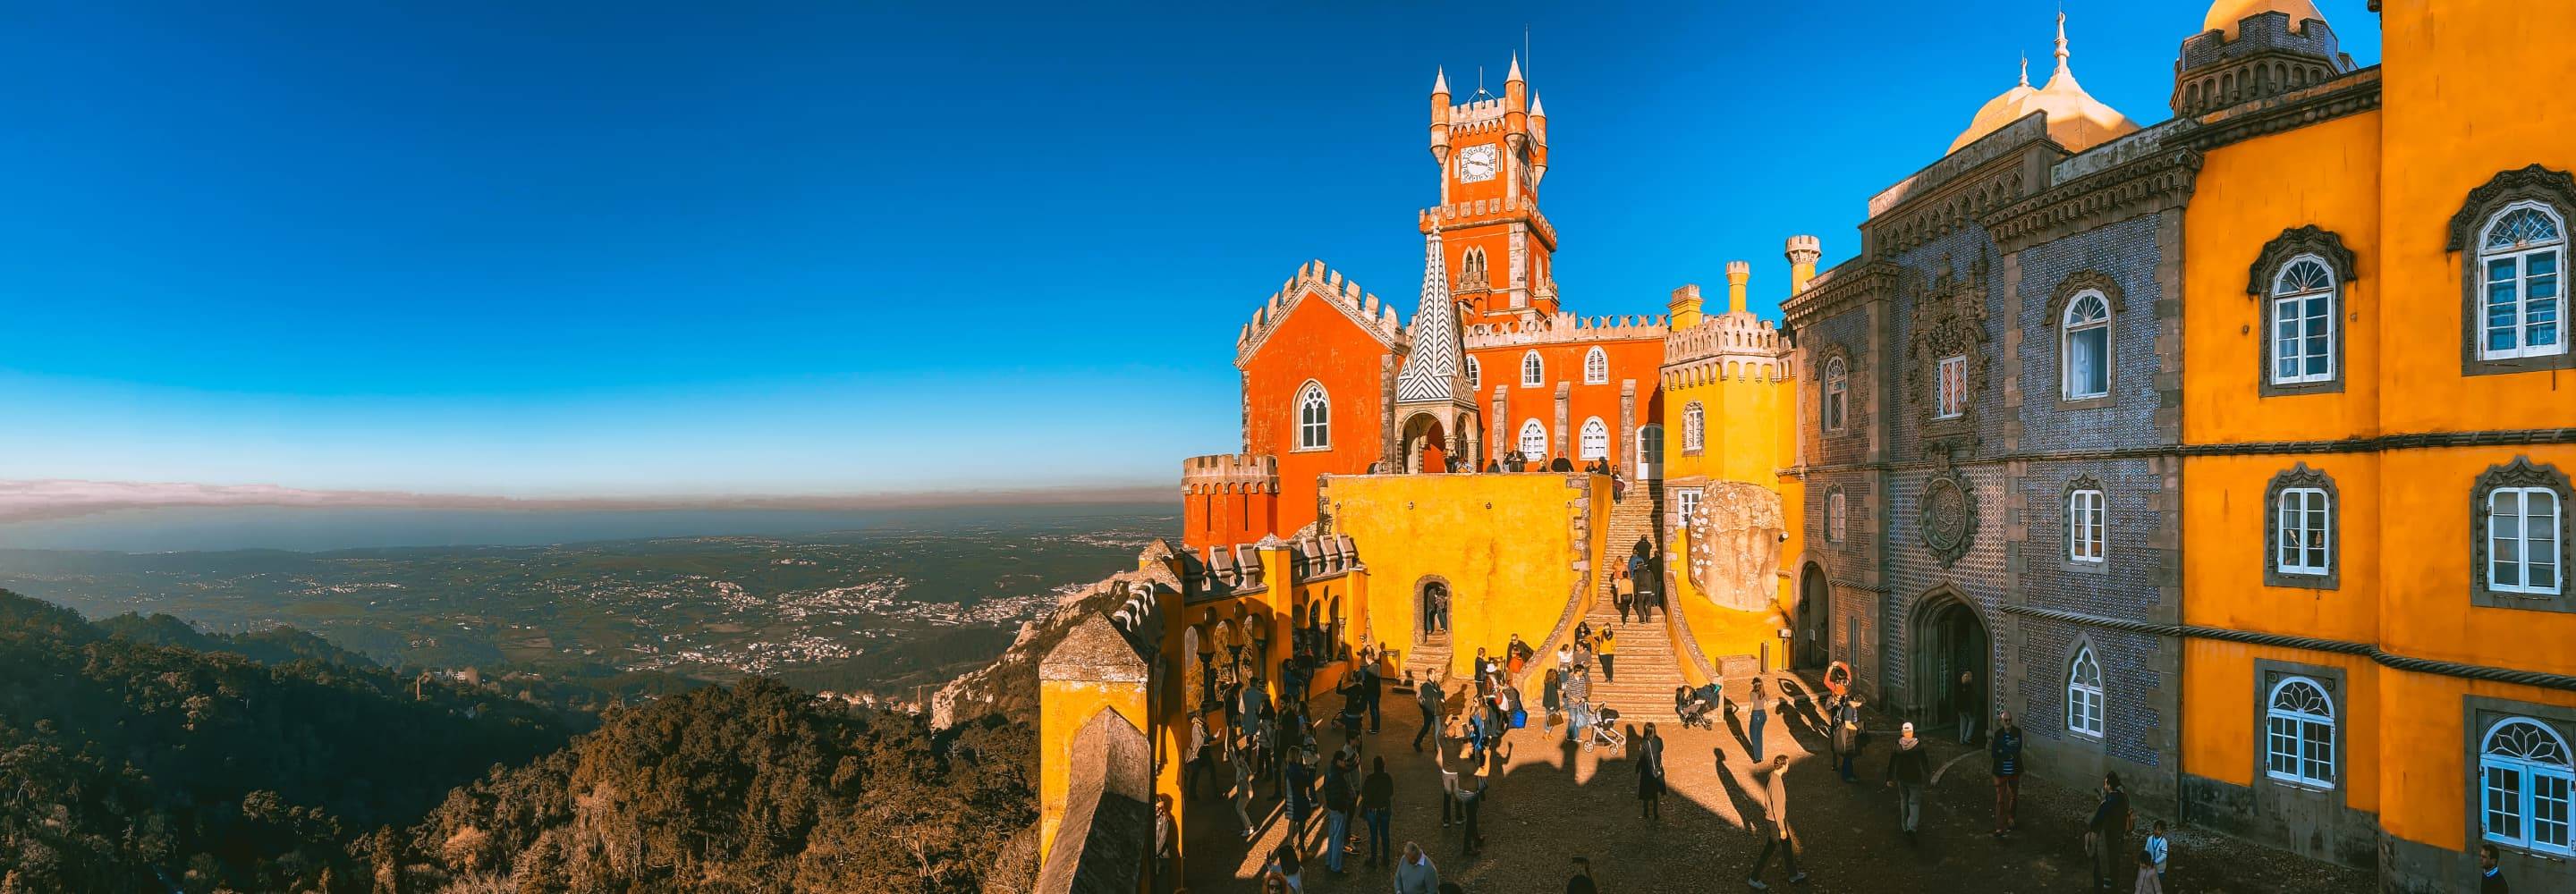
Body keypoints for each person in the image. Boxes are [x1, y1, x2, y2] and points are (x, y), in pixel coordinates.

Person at [1745, 754, 1807, 890]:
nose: (1788, 766)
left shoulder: (1772, 775)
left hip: (1774, 820)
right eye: (1788, 764)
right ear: (1783, 765)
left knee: (1786, 846)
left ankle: (1793, 874)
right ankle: (1754, 878)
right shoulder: (1777, 783)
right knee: (1770, 847)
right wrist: (1782, 829)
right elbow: (1778, 809)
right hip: (1776, 821)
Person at [1883, 721, 1930, 844]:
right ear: (1912, 732)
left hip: (1901, 778)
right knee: (1914, 803)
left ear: (1903, 732)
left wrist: (1889, 778)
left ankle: (1904, 826)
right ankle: (1912, 828)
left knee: (1904, 800)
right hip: (1915, 778)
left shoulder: (1897, 746)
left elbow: (1892, 763)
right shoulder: (1918, 745)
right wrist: (1927, 774)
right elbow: (1924, 762)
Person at [2088, 772, 2133, 891]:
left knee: (2101, 865)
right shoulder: (2123, 798)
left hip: (2107, 838)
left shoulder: (2108, 803)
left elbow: (2096, 821)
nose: (2104, 785)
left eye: (2105, 783)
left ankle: (2101, 888)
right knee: (2115, 865)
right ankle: (2113, 887)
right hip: (2119, 836)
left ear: (2109, 785)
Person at [1991, 709, 2024, 837]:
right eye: (2006, 720)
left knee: (2014, 796)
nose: (2008, 723)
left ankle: (2011, 817)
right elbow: (1995, 753)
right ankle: (1999, 826)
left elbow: (2018, 747)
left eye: (2010, 720)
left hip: (2014, 770)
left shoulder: (2017, 732)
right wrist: (2008, 749)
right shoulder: (1998, 735)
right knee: (2000, 799)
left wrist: (2004, 749)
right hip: (2001, 772)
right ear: (2002, 721)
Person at [1362, 756, 1394, 867]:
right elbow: (1391, 792)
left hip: (1373, 811)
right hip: (1385, 809)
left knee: (1374, 836)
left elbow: (1364, 794)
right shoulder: (1387, 777)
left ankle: (1373, 859)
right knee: (1385, 835)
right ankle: (1386, 859)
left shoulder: (1369, 779)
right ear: (1383, 765)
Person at [1456, 757, 1490, 856]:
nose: (1472, 747)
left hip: (1466, 790)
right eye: (1470, 746)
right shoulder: (1467, 763)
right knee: (1471, 819)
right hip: (1470, 792)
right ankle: (1467, 848)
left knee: (1473, 816)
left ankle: (1476, 838)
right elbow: (1484, 772)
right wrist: (1487, 756)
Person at [1637, 721, 1667, 821]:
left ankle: (1645, 813)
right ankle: (1655, 813)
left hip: (1647, 770)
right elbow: (1661, 749)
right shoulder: (1659, 740)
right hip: (1657, 769)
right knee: (1655, 793)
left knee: (1646, 792)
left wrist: (1637, 767)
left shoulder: (1644, 742)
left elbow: (1641, 757)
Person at [1830, 694, 1864, 782]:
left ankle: (1848, 773)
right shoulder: (1849, 709)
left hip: (1848, 733)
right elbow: (1848, 724)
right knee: (1848, 755)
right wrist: (1858, 728)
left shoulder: (1849, 707)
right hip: (1848, 734)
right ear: (1857, 702)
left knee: (1849, 756)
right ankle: (1847, 776)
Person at [1232, 737, 1258, 840]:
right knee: (1241, 809)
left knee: (1239, 809)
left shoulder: (1242, 767)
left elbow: (1247, 775)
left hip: (1245, 791)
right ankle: (1249, 826)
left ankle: (1248, 828)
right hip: (1246, 790)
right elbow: (1233, 758)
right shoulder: (1240, 765)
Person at [1186, 712, 1217, 799]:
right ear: (1201, 717)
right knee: (1197, 773)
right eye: (1205, 716)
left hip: (1204, 752)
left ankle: (1215, 793)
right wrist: (1213, 737)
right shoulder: (1197, 727)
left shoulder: (1203, 725)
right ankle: (1192, 795)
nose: (1206, 718)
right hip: (1199, 754)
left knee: (1210, 771)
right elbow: (1201, 741)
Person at [1414, 671, 1446, 753]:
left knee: (1438, 730)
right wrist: (1439, 695)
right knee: (1426, 728)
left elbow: (1439, 693)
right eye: (1434, 673)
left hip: (1436, 710)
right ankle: (1417, 742)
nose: (1435, 675)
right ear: (1429, 675)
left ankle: (1438, 747)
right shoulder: (1425, 686)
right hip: (1429, 711)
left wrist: (1442, 697)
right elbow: (1430, 697)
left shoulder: (1436, 684)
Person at [1563, 664, 1593, 743]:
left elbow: (1583, 690)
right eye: (1582, 671)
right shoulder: (1570, 679)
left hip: (1580, 704)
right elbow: (1567, 692)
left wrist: (1583, 698)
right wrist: (1573, 698)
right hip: (1572, 703)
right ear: (1578, 671)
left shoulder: (1583, 679)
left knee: (1578, 720)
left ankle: (1575, 736)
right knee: (1573, 719)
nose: (1583, 672)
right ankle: (1570, 737)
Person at [1747, 677, 1772, 763]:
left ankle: (1757, 758)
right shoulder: (1763, 692)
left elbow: (1751, 705)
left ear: (1754, 685)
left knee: (1753, 736)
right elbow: (1769, 702)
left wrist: (1748, 713)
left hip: (1756, 715)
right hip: (1763, 715)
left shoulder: (1752, 693)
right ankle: (1760, 756)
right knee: (1759, 735)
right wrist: (1763, 708)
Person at [2140, 820, 2169, 893]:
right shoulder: (2150, 839)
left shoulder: (2164, 842)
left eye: (2159, 830)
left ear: (2163, 831)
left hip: (2160, 868)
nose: (2156, 831)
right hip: (2150, 865)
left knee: (2159, 884)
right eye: (2155, 829)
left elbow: (2164, 855)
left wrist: (2156, 861)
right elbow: (2146, 849)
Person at [1153, 794, 1175, 885]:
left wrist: (1154, 853)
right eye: (1158, 807)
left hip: (1162, 857)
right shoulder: (1151, 819)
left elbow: (1163, 839)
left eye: (1162, 807)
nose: (1160, 810)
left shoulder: (1165, 819)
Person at [1954, 670, 1979, 744]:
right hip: (1967, 708)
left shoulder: (1959, 685)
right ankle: (1967, 738)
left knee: (1963, 722)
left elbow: (1957, 698)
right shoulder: (1968, 686)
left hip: (1961, 708)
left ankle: (1961, 739)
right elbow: (1970, 699)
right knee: (1972, 720)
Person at [1542, 667, 1563, 734]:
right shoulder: (1550, 684)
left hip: (1550, 705)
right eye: (1555, 674)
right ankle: (1546, 735)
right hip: (1551, 705)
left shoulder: (1549, 683)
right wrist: (1551, 706)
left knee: (1548, 719)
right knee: (1551, 720)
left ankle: (1546, 733)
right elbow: (1548, 696)